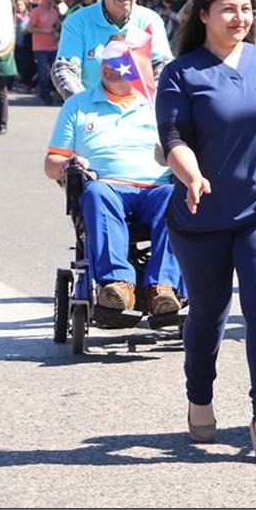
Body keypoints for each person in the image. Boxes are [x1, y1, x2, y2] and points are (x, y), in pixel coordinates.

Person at [156, 0, 256, 464]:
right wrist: (192, 176)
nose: (240, 17)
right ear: (204, 14)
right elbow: (173, 137)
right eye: (228, 8)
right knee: (209, 313)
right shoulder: (181, 72)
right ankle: (199, 396)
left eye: (246, 9)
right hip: (202, 214)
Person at [44, 41, 182, 316]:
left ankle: (163, 288)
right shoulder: (77, 105)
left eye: (121, 62)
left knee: (177, 198)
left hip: (157, 188)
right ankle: (118, 285)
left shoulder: (161, 104)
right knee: (96, 192)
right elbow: (51, 163)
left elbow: (186, 150)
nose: (110, 68)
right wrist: (69, 164)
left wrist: (173, 154)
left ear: (139, 67)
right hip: (106, 187)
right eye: (107, 60)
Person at [53, 0, 173, 100]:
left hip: (139, 113)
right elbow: (64, 69)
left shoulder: (151, 20)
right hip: (91, 112)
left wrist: (150, 104)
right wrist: (82, 104)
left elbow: (163, 65)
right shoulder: (77, 22)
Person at [27, 0, 62, 105]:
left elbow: (57, 25)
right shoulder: (36, 11)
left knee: (55, 72)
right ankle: (45, 96)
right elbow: (30, 28)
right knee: (42, 73)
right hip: (39, 47)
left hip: (53, 46)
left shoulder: (54, 11)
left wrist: (56, 30)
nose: (47, 0)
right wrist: (45, 31)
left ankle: (57, 94)